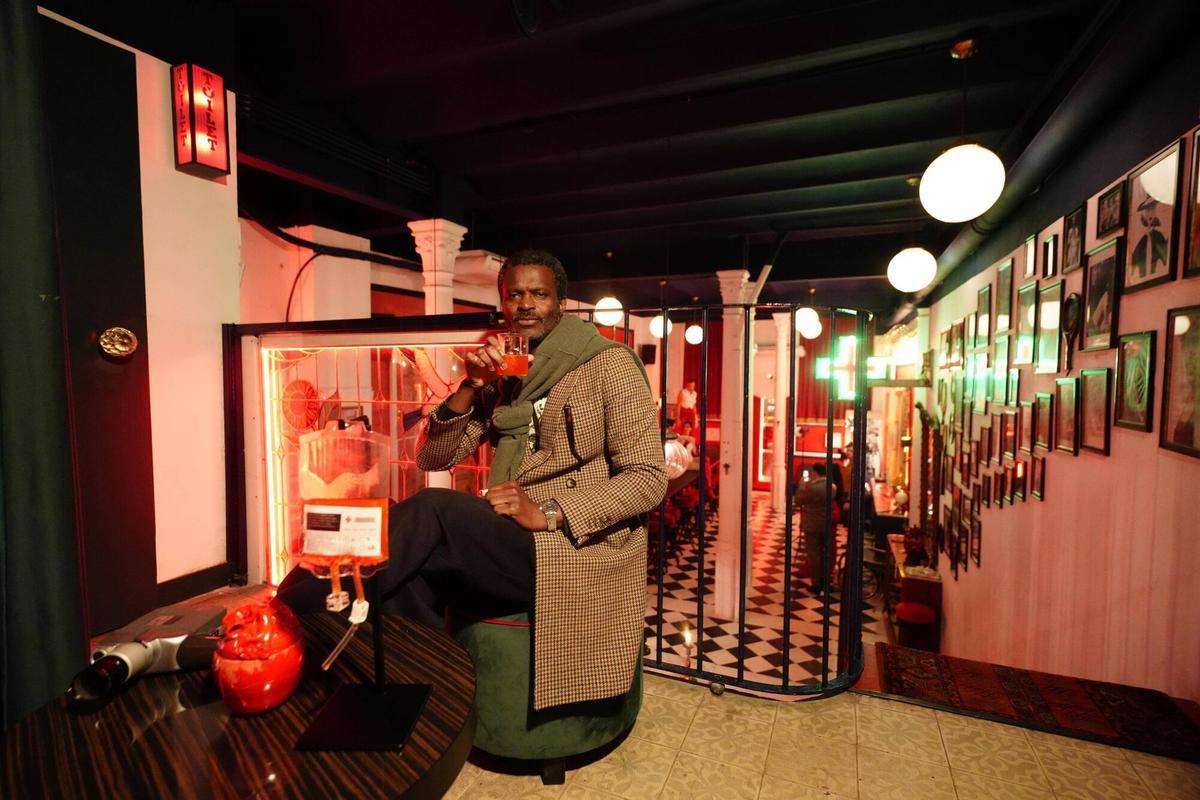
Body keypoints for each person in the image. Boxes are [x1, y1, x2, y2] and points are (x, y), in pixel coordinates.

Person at [277, 248, 667, 711]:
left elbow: (647, 478)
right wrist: (470, 384)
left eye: (539, 294)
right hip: (504, 532)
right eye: (515, 295)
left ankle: (291, 615)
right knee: (409, 563)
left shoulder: (609, 364)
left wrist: (549, 512)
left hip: (566, 546)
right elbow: (431, 456)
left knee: (433, 509)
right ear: (502, 304)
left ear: (560, 303)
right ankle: (417, 702)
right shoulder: (506, 373)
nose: (526, 304)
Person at [794, 463, 831, 592]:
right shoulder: (832, 487)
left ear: (815, 473)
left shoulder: (812, 488)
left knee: (813, 554)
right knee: (824, 552)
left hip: (812, 523)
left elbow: (798, 500)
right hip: (826, 523)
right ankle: (825, 579)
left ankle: (816, 584)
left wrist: (801, 486)